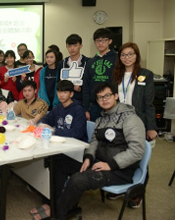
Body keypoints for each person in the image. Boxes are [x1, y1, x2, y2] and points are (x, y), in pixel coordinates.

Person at [30, 82, 146, 220]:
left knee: (77, 180)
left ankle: (57, 214)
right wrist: (88, 157)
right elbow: (94, 142)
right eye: (100, 97)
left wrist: (110, 165)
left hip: (120, 170)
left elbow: (138, 150)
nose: (104, 99)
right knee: (58, 162)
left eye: (107, 96)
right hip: (99, 163)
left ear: (116, 96)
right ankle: (53, 204)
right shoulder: (102, 119)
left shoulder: (131, 118)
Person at [112, 42, 157, 208]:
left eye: (130, 54)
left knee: (139, 158)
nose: (127, 58)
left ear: (136, 56)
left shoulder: (146, 74)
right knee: (120, 155)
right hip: (118, 123)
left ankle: (137, 194)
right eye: (123, 55)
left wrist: (151, 127)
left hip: (138, 123)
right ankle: (122, 188)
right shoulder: (116, 74)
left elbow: (149, 103)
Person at [83, 28, 117, 122]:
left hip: (112, 104)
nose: (100, 43)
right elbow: (86, 85)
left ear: (110, 41)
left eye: (104, 40)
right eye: (98, 40)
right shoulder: (91, 61)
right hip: (95, 105)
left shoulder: (117, 59)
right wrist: (86, 109)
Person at [57, 34, 89, 103]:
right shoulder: (62, 63)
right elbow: (59, 83)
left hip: (82, 101)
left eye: (75, 45)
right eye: (69, 46)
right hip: (65, 102)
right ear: (66, 47)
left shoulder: (88, 62)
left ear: (81, 46)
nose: (72, 48)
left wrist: (81, 89)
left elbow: (90, 83)